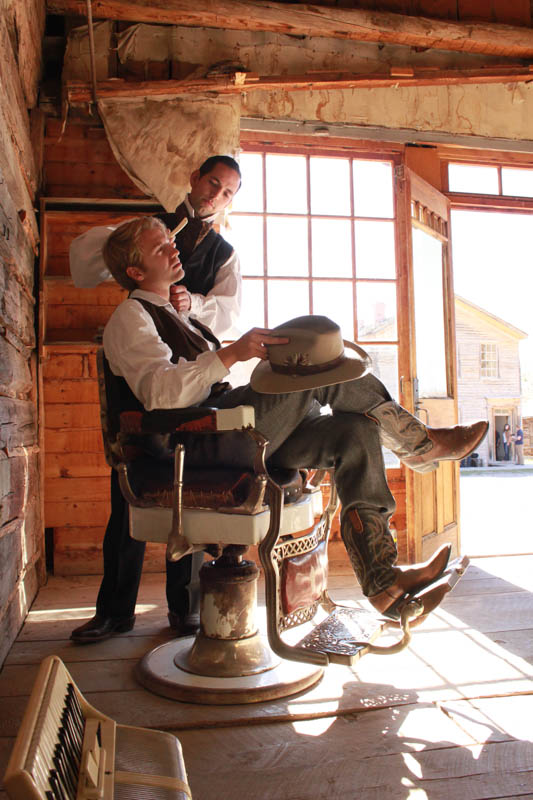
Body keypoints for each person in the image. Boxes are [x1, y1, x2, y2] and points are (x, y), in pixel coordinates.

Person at [90, 216, 488, 625]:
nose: (174, 249)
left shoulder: (180, 315)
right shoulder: (130, 318)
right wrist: (232, 354)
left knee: (355, 431)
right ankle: (420, 445)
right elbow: (159, 395)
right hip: (193, 446)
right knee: (309, 367)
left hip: (229, 431)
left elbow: (200, 380)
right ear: (136, 272)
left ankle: (383, 582)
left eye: (170, 242)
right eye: (161, 248)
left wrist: (245, 361)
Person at [70, 156, 242, 643]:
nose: (216, 195)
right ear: (193, 177)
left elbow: (228, 312)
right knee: (126, 503)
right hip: (147, 356)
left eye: (228, 192)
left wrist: (196, 305)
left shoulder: (224, 253)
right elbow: (84, 265)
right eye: (213, 182)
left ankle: (184, 609)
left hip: (191, 353)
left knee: (187, 490)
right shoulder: (147, 226)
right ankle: (116, 610)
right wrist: (147, 239)